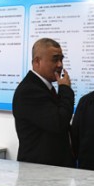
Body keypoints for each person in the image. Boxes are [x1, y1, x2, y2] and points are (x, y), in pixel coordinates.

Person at [12, 38, 74, 166]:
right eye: (55, 59)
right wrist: (65, 90)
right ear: (37, 61)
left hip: (51, 168)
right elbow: (59, 123)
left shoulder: (44, 87)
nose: (60, 65)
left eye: (61, 59)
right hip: (38, 170)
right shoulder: (29, 91)